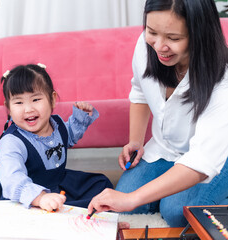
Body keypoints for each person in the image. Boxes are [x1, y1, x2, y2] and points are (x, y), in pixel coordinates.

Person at [88, 0, 228, 227]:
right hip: (165, 149)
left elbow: (202, 161)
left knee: (175, 212)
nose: (159, 46)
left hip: (217, 156)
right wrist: (135, 140)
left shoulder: (222, 79)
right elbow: (140, 91)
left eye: (173, 38)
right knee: (126, 204)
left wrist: (132, 199)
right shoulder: (146, 47)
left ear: (199, 34)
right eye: (152, 32)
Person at [0, 63, 113, 211]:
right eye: (19, 102)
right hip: (27, 192)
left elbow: (69, 136)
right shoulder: (12, 141)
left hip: (58, 182)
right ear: (8, 108)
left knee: (101, 185)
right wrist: (40, 198)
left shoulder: (56, 124)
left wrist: (81, 117)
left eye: (36, 100)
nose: (28, 109)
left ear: (52, 99)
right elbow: (12, 178)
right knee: (50, 211)